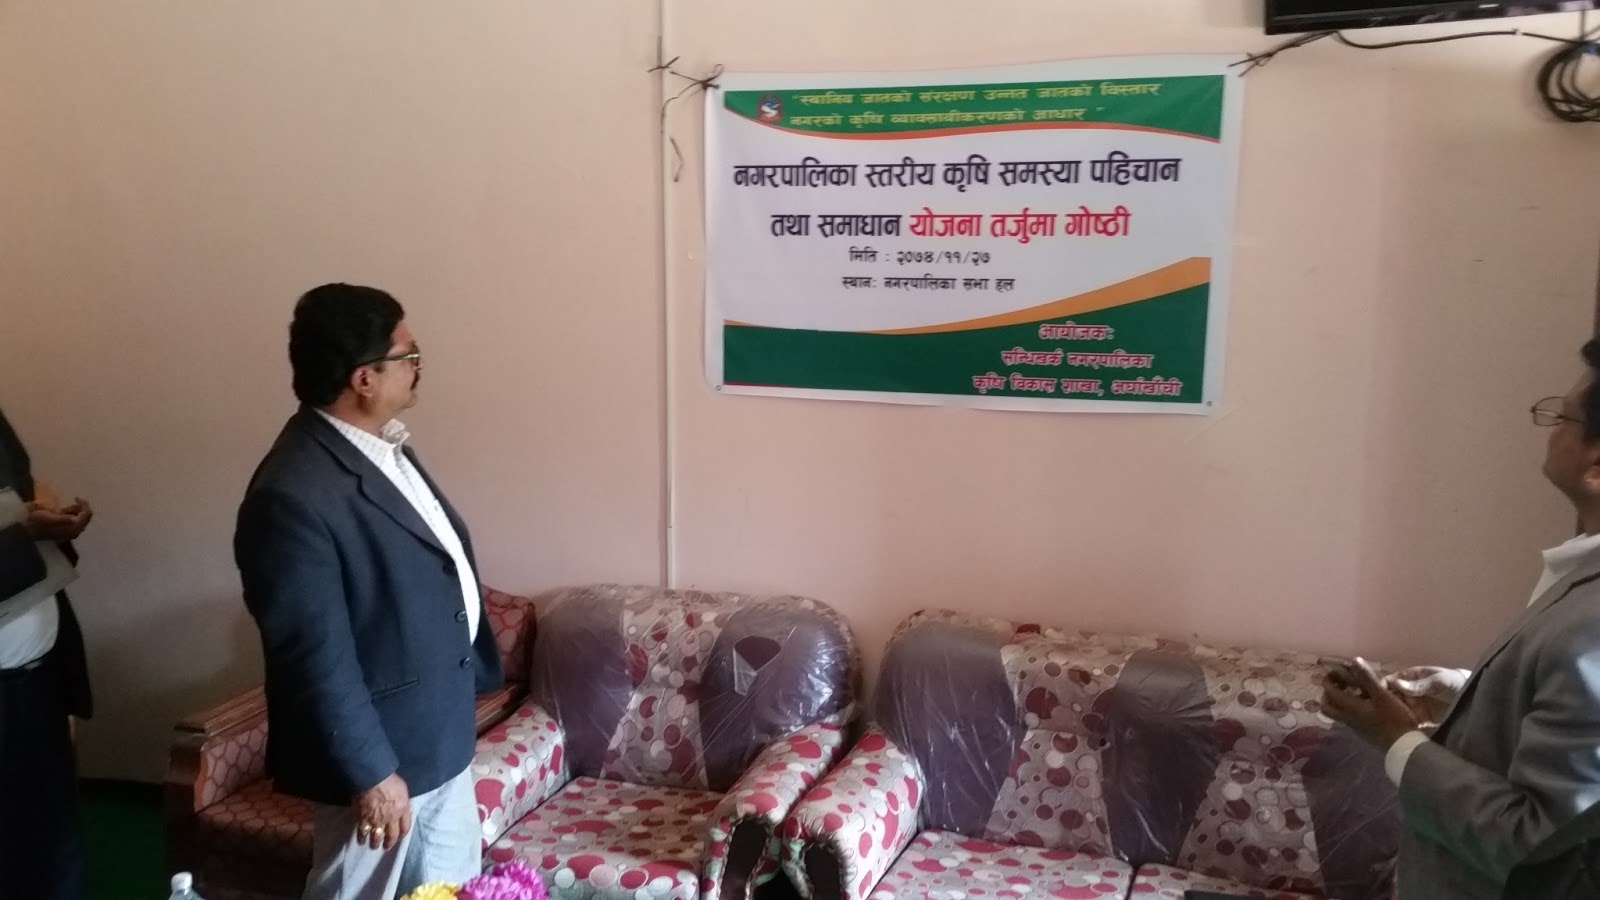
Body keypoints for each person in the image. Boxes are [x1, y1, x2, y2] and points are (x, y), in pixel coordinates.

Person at [235, 284, 502, 900]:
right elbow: (312, 656)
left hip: (436, 736)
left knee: (449, 890)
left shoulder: (380, 447)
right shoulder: (292, 494)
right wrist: (372, 773)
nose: (418, 366)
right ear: (363, 378)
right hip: (384, 758)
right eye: (408, 354)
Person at [1322, 338, 1600, 899]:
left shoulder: (1590, 624)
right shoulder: (1580, 575)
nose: (1550, 429)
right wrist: (1467, 694)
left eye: (1562, 417)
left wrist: (1395, 738)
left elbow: (1535, 842)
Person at [0, 408, 94, 900]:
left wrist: (48, 520)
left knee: (52, 848)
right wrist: (25, 536)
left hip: (38, 680)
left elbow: (22, 489)